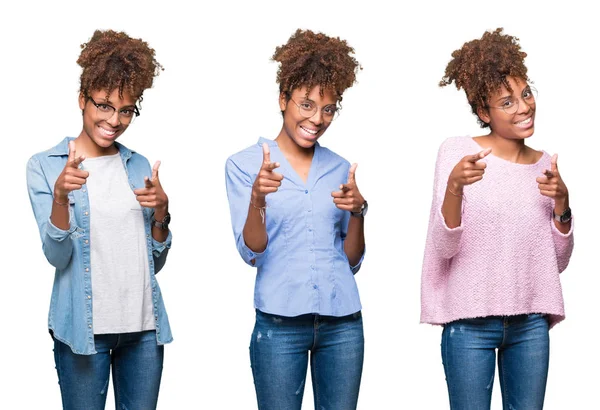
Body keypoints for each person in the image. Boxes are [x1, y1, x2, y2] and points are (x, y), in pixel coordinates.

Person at [420, 28, 574, 410]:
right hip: (470, 324)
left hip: (531, 324)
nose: (523, 107)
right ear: (483, 112)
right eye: (506, 102)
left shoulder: (545, 164)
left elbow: (557, 261)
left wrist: (562, 205)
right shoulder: (458, 152)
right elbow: (444, 246)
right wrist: (455, 187)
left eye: (525, 94)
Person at [26, 29, 173, 410]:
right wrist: (60, 197)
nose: (115, 120)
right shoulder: (45, 166)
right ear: (82, 100)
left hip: (143, 330)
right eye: (104, 105)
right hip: (83, 331)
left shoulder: (137, 164)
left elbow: (153, 262)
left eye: (126, 110)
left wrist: (162, 213)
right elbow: (57, 257)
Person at [225, 29, 367, 410]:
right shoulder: (243, 165)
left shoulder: (339, 167)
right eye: (306, 104)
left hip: (343, 324)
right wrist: (258, 198)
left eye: (328, 109)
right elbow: (251, 251)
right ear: (283, 100)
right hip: (279, 324)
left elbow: (351, 261)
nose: (317, 119)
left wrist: (358, 212)